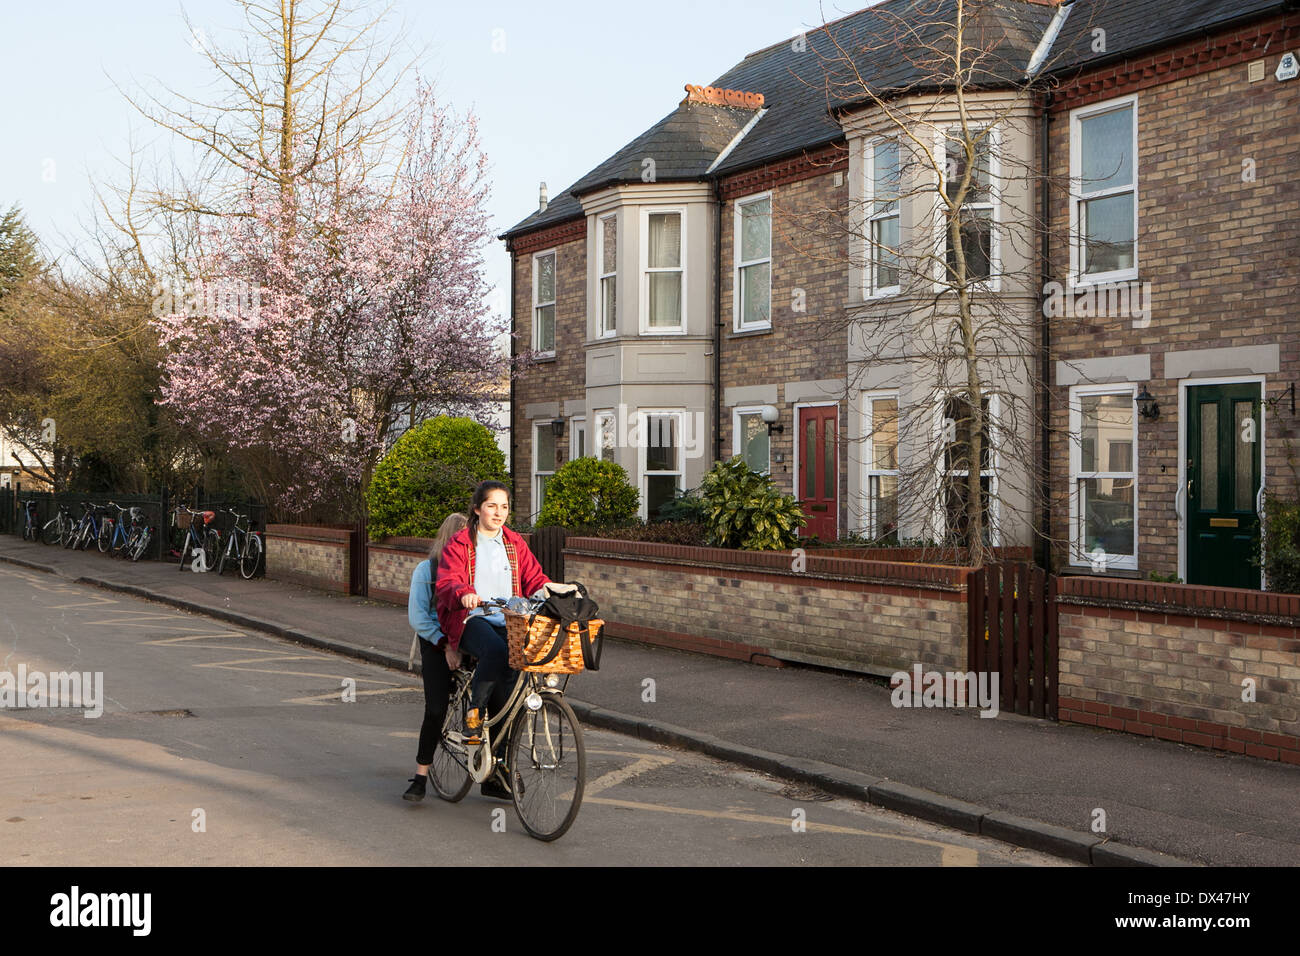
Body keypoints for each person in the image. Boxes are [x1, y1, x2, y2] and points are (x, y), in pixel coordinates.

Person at [435, 480, 552, 798]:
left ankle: (496, 772)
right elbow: (447, 581)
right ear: (477, 509)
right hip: (470, 618)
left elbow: (534, 577)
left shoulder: (514, 542)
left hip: (509, 619)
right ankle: (474, 715)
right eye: (491, 506)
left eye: (504, 506)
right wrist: (464, 594)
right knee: (498, 652)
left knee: (511, 691)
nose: (499, 512)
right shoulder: (461, 543)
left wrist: (551, 591)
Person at [402, 512, 467, 803]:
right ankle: (421, 775)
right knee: (437, 708)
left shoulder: (473, 570)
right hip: (435, 640)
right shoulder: (426, 571)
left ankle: (497, 773)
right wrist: (445, 646)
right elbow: (418, 618)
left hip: (467, 639)